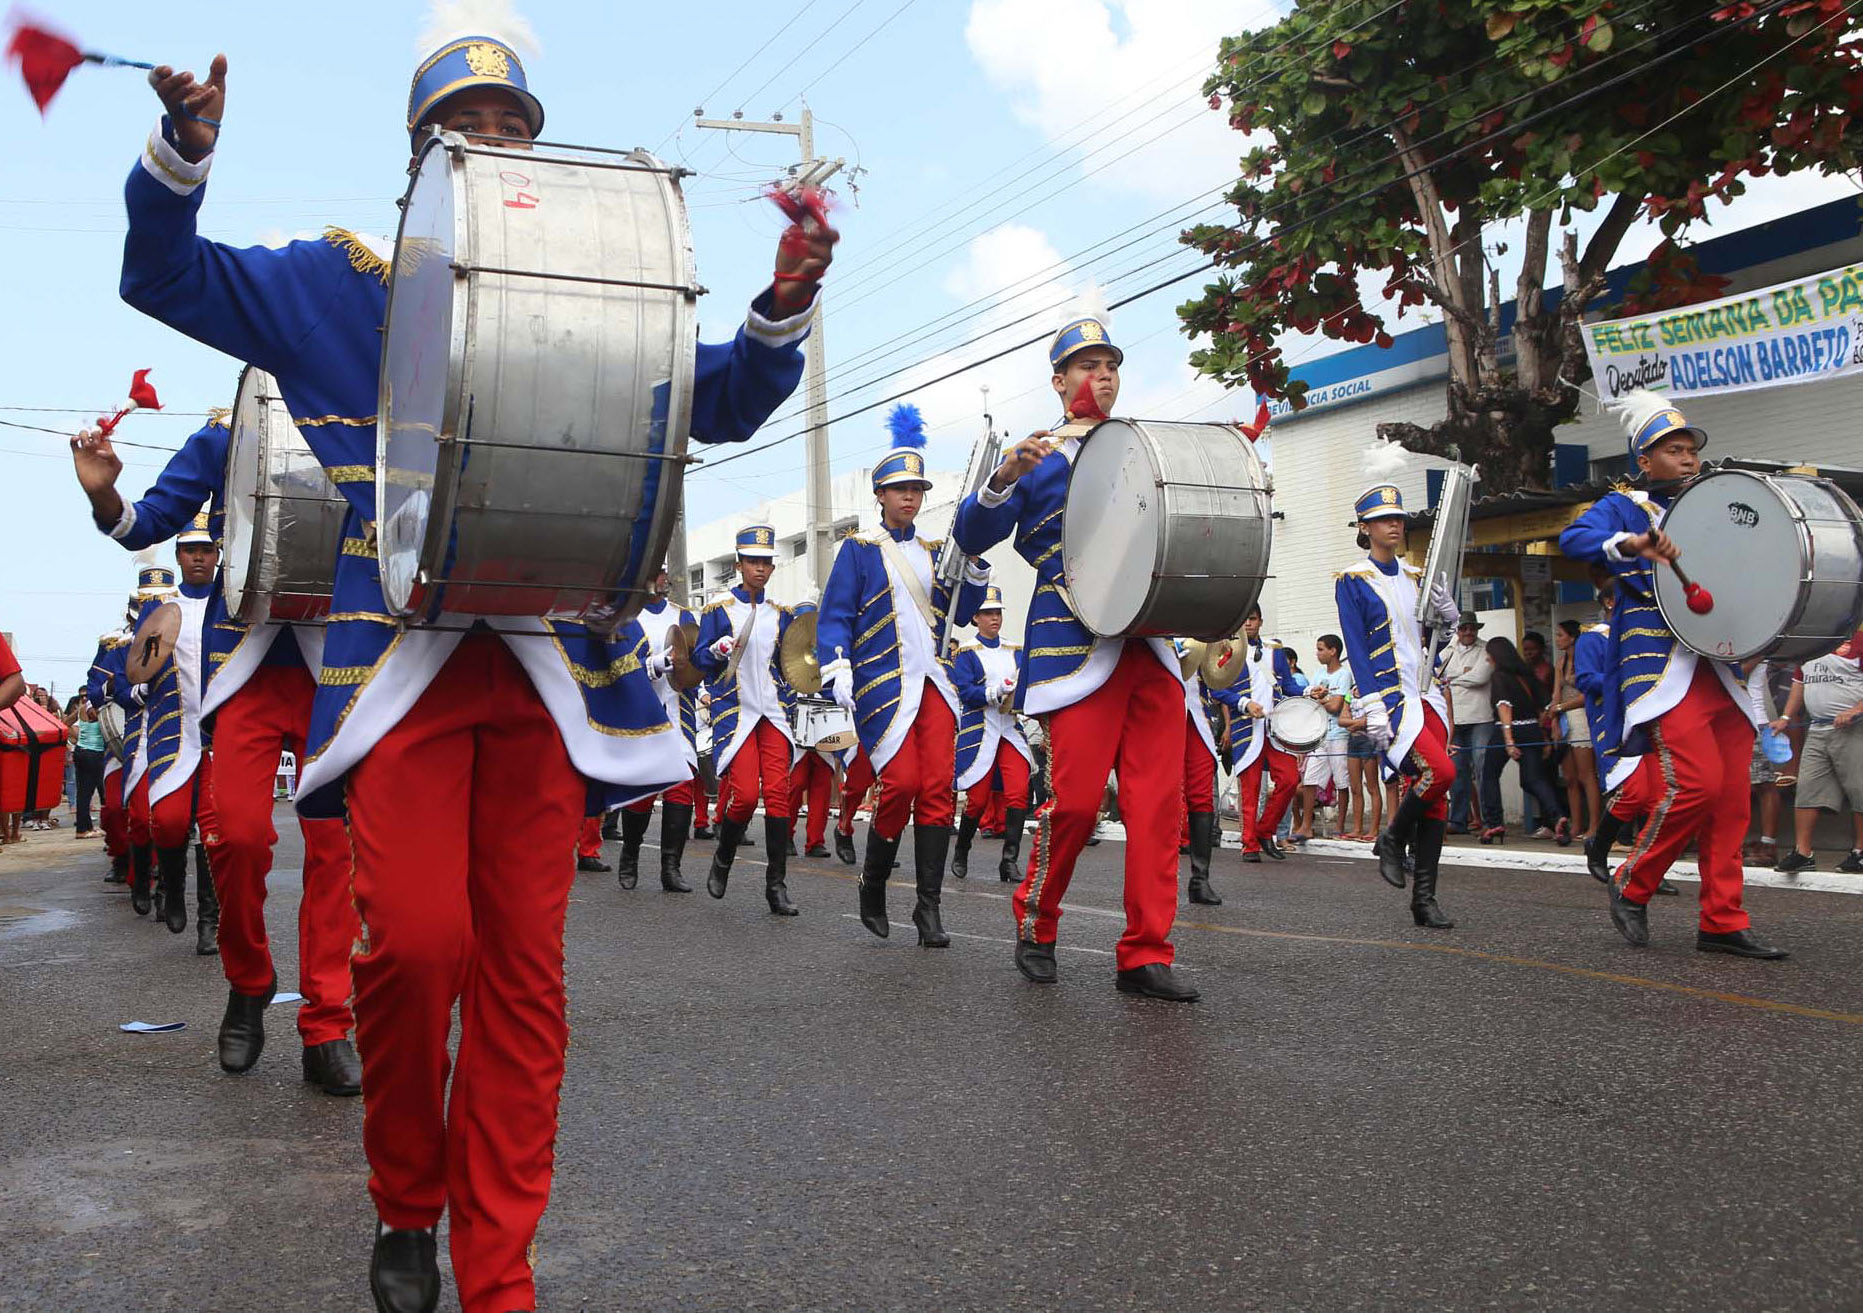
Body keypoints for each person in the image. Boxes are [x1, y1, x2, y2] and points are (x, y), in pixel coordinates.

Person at [118, 26, 831, 1312]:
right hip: (402, 666)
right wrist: (183, 152)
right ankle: (407, 1198)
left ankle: (500, 1270)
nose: (497, 144)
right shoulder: (335, 286)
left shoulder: (596, 286)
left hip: (552, 665)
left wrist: (777, 310)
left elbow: (711, 400)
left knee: (522, 974)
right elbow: (167, 275)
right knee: (413, 947)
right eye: (469, 126)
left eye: (515, 126)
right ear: (421, 159)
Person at [74, 410, 362, 1093]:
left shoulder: (366, 417)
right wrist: (103, 493)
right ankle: (249, 981)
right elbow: (144, 523)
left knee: (338, 848)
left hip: (340, 659)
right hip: (247, 667)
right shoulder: (232, 432)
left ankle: (327, 1022)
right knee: (235, 837)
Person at [951, 316, 1197, 1001]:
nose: (1103, 376)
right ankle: (1037, 923)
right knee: (1077, 805)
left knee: (1157, 808)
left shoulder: (1141, 448)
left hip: (1148, 641)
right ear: (1059, 382)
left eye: (1110, 365)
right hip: (1074, 645)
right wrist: (1003, 476)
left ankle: (1144, 953)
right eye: (1089, 366)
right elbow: (971, 533)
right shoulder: (1040, 453)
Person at [1558, 389, 1785, 959]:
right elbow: (1573, 539)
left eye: (1691, 450)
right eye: (1674, 450)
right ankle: (1633, 882)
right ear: (1645, 460)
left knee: (1731, 800)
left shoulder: (1711, 507)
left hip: (1721, 668)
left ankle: (1722, 921)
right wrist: (1630, 544)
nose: (1687, 459)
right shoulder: (1625, 506)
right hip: (1662, 669)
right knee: (1698, 784)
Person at [817, 408, 988, 945]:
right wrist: (837, 664)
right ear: (881, 495)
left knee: (937, 790)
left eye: (916, 489)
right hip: (884, 683)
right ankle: (873, 884)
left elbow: (962, 612)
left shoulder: (937, 552)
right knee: (902, 784)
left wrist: (973, 568)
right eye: (899, 490)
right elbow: (835, 614)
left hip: (934, 681)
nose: (909, 498)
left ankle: (928, 908)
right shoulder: (860, 549)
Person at [1335, 483, 1459, 928]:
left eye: (1399, 519)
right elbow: (1356, 647)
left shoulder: (1416, 576)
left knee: (1437, 798)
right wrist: (1371, 704)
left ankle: (1424, 900)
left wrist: (1448, 621)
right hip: (1390, 698)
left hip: (1427, 694)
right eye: (1384, 519)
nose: (1395, 525)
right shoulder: (1353, 580)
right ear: (1364, 528)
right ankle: (1392, 836)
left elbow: (1430, 643)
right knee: (1440, 773)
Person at [697, 527, 803, 915]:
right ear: (739, 565)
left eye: (766, 563)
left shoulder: (782, 614)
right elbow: (698, 661)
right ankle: (723, 856)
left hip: (772, 712)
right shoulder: (718, 610)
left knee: (778, 795)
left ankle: (776, 886)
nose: (760, 569)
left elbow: (793, 663)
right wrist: (716, 648)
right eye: (753, 562)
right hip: (736, 710)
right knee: (743, 797)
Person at [614, 568, 701, 892]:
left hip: (679, 711)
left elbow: (697, 659)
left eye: (663, 572)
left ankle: (671, 868)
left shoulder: (683, 615)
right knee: (642, 790)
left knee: (681, 787)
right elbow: (617, 668)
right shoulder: (627, 617)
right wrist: (654, 665)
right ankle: (630, 855)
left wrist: (710, 656)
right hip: (643, 712)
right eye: (653, 572)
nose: (660, 579)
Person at [950, 586, 1034, 884]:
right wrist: (994, 691)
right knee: (977, 799)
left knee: (1018, 792)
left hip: (1009, 727)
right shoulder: (966, 652)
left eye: (997, 612)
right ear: (975, 618)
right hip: (981, 727)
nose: (994, 618)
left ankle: (1009, 861)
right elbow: (965, 692)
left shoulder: (1015, 649)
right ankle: (961, 850)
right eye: (987, 613)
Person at [1774, 633, 1863, 874]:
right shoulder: (1809, 645)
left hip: (1855, 728)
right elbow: (1799, 683)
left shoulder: (1859, 642)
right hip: (1817, 728)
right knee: (1807, 789)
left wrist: (1856, 709)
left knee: (1860, 789)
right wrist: (1785, 718)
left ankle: (1860, 851)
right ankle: (1803, 852)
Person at [1217, 606, 1300, 863]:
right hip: (1246, 728)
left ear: (1261, 622)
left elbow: (1289, 686)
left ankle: (1265, 831)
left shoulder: (1275, 651)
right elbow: (1216, 689)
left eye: (1252, 619)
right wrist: (1244, 704)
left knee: (1290, 779)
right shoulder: (1228, 651)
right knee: (1250, 790)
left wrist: (1310, 693)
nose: (1248, 624)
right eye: (1243, 620)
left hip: (1275, 729)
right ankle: (1249, 844)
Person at [1482, 635, 1568, 845]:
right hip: (1531, 729)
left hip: (1507, 729)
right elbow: (1546, 706)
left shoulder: (1499, 676)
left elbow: (1504, 707)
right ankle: (1557, 816)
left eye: (1489, 655)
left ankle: (1494, 822)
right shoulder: (1527, 675)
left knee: (1490, 775)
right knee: (1533, 779)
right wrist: (1544, 733)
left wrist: (1509, 740)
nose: (1487, 659)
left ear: (1496, 656)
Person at [1172, 643, 1226, 904]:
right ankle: (1156, 879)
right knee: (1161, 796)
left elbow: (1218, 676)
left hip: (1196, 715)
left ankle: (1200, 881)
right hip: (1160, 707)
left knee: (1202, 796)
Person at [1294, 635, 1353, 844]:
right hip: (1320, 734)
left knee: (1341, 780)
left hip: (1338, 734)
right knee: (1309, 778)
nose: (1317, 653)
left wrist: (1320, 699)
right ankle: (1306, 826)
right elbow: (1309, 698)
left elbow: (1336, 707)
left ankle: (1340, 825)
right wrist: (1322, 698)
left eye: (1321, 649)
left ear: (1333, 651)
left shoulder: (1344, 675)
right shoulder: (1318, 674)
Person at [1437, 616, 1493, 834]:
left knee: (1483, 769)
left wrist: (1452, 680)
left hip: (1480, 717)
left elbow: (1480, 677)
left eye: (1472, 628)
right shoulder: (1447, 652)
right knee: (1456, 771)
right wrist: (1463, 675)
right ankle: (1458, 821)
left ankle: (1490, 821)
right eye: (1464, 628)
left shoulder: (1486, 649)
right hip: (1454, 719)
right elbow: (1436, 677)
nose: (1468, 632)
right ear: (1458, 630)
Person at [1551, 620, 1600, 844]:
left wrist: (1561, 707)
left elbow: (1586, 695)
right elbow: (1556, 694)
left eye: (1560, 635)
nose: (1557, 639)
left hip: (1581, 716)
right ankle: (1576, 825)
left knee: (1586, 774)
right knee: (1570, 777)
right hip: (1564, 719)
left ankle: (1594, 825)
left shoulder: (1584, 661)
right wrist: (1554, 717)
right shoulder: (1560, 663)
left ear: (1572, 637)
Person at [1339, 685, 1383, 841]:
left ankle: (1374, 829)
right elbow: (1341, 720)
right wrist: (1358, 723)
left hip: (1369, 740)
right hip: (1354, 740)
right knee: (1355, 787)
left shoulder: (1374, 690)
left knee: (1372, 786)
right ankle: (1357, 828)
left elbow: (1373, 718)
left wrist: (1353, 724)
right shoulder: (1351, 692)